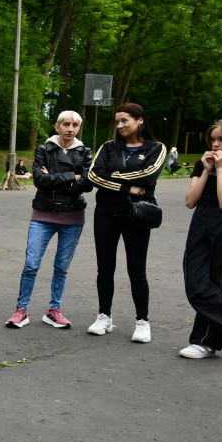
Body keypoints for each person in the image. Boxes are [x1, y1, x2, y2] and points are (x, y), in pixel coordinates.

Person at [5, 111, 93, 329]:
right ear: (57, 126)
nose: (70, 129)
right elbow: (40, 180)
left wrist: (55, 179)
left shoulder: (84, 152)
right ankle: (21, 310)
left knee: (62, 266)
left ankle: (53, 311)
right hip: (43, 215)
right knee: (32, 264)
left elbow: (88, 184)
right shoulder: (44, 149)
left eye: (74, 125)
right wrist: (74, 177)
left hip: (73, 216)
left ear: (79, 128)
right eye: (66, 124)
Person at [87, 102, 167, 342]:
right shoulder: (109, 147)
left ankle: (142, 322)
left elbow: (150, 174)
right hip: (105, 213)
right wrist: (128, 186)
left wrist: (112, 178)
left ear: (139, 120)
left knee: (136, 270)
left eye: (125, 121)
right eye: (117, 122)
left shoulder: (157, 148)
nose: (120, 125)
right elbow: (93, 176)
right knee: (105, 268)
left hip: (137, 214)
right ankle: (104, 317)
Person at [179, 117, 222, 358]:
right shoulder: (205, 163)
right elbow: (191, 201)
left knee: (219, 282)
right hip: (201, 220)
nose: (216, 144)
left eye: (221, 139)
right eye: (213, 139)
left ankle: (205, 342)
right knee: (196, 282)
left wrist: (221, 170)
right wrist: (207, 170)